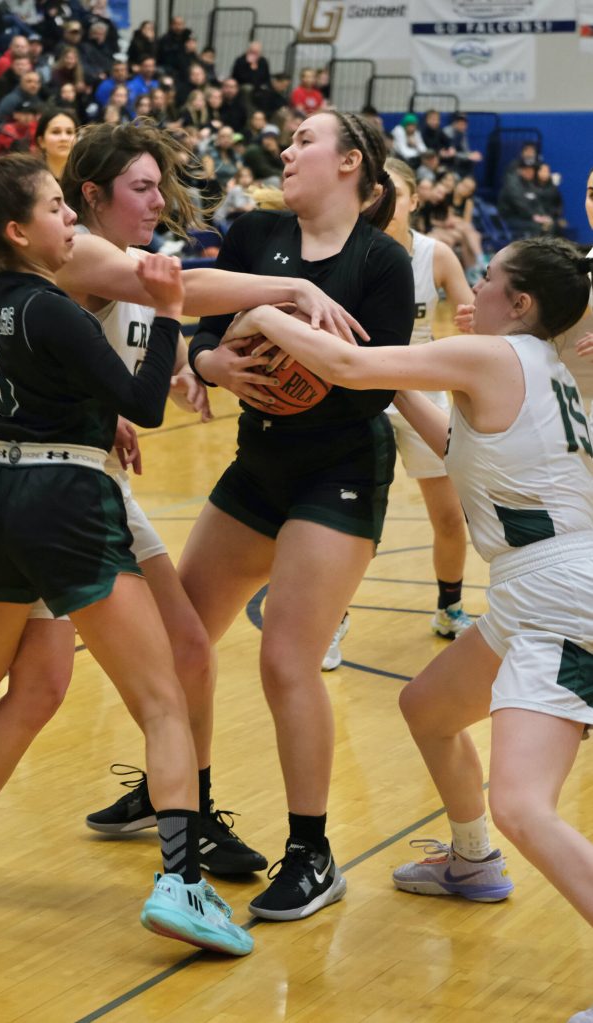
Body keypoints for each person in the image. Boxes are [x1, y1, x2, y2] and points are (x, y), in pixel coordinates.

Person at [0, 33, 254, 959]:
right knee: (161, 702)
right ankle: (181, 882)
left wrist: (119, 380)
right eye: (62, 209)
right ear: (22, 230)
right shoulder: (59, 303)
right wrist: (167, 310)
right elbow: (141, 394)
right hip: (65, 502)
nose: (74, 222)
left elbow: (79, 390)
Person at [222, 234, 593, 1022]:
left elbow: (352, 366)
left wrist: (261, 307)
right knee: (427, 708)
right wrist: (386, 388)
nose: (473, 288)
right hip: (536, 592)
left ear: (519, 304)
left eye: (488, 278)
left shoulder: (495, 358)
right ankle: (469, 860)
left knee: (524, 804)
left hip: (561, 596)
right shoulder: (532, 370)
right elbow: (448, 443)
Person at [176, 111, 415, 922]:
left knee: (286, 660)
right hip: (258, 463)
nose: (284, 149)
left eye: (304, 141)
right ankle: (190, 811)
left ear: (349, 163)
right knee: (180, 639)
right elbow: (203, 336)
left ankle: (312, 853)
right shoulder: (253, 234)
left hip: (339, 469)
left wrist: (277, 329)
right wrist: (211, 362)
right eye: (284, 140)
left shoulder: (382, 260)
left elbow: (375, 384)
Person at [322, 158, 474, 670]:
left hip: (423, 387)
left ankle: (450, 607)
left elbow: (476, 324)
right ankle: (331, 620)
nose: (387, 203)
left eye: (397, 194)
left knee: (450, 515)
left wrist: (475, 320)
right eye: (378, 194)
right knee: (358, 516)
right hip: (367, 387)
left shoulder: (437, 254)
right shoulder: (350, 252)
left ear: (412, 200)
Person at [35, 107, 78, 181]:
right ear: (41, 141)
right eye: (56, 132)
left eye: (69, 132)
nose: (64, 138)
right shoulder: (30, 179)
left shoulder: (86, 177)